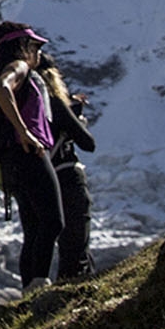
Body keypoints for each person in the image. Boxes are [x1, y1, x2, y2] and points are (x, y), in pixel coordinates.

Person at [0, 21, 73, 291]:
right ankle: (38, 285)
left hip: (12, 159)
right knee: (53, 221)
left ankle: (29, 288)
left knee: (34, 227)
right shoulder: (19, 68)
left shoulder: (9, 69)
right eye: (35, 46)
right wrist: (23, 131)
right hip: (29, 152)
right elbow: (2, 89)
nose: (38, 52)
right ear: (22, 47)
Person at [47, 76, 98, 281]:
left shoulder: (24, 104)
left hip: (44, 180)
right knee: (76, 243)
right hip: (67, 175)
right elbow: (88, 143)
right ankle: (70, 289)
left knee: (64, 241)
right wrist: (74, 117)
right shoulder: (55, 104)